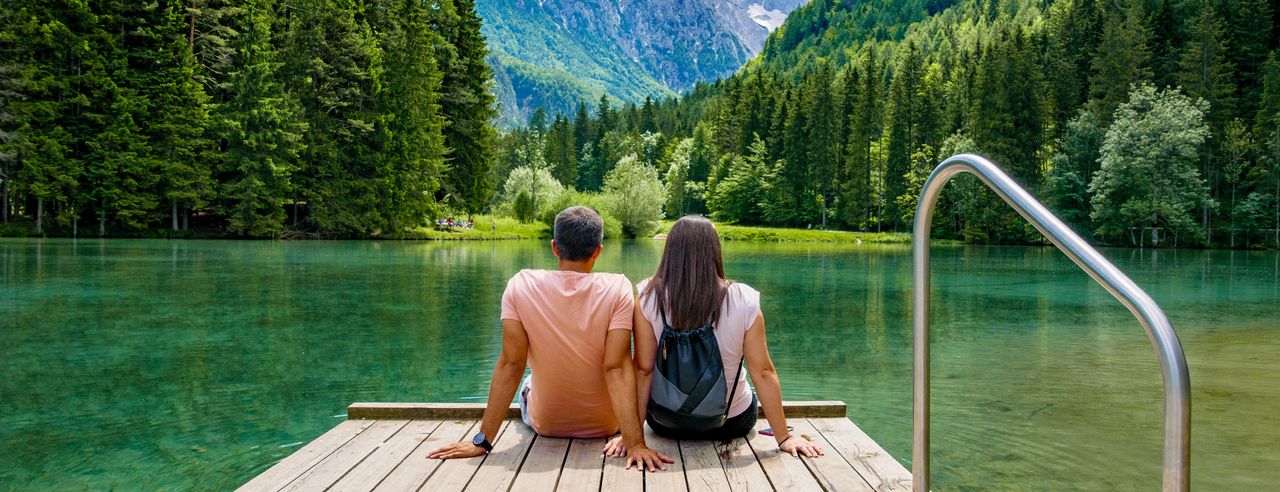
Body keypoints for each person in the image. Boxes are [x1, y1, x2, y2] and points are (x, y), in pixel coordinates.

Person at [428, 206, 673, 471]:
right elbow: (616, 368)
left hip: (546, 424)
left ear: (554, 247)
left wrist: (482, 441)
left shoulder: (520, 285)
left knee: (528, 381)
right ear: (598, 251)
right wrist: (635, 443)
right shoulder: (618, 288)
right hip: (607, 424)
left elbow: (511, 364)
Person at [605, 215, 823, 458]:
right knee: (745, 383)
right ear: (714, 250)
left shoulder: (647, 297)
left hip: (665, 423)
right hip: (731, 422)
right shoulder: (745, 299)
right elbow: (763, 372)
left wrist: (632, 437)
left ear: (671, 251)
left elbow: (643, 371)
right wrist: (784, 437)